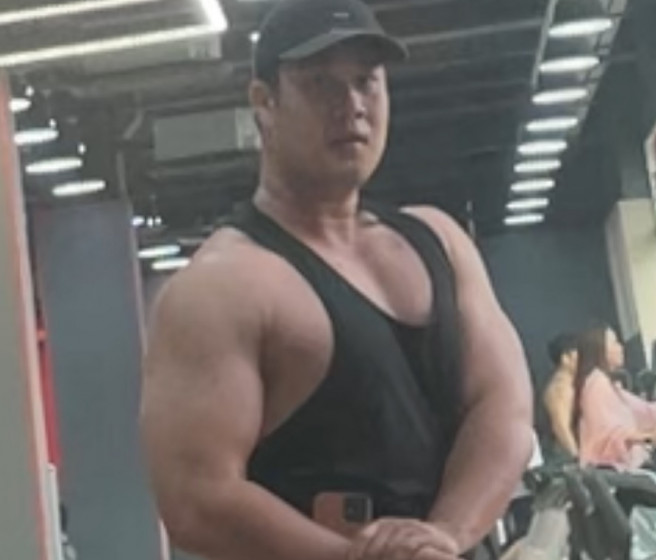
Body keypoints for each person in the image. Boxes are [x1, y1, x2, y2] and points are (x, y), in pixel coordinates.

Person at [140, 1, 533, 560]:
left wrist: (445, 535)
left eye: (366, 82)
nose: (351, 105)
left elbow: (504, 406)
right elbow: (196, 499)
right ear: (265, 103)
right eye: (320, 84)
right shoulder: (223, 287)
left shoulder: (441, 242)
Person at [573, 326, 656, 470]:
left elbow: (645, 410)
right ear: (600, 350)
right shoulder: (596, 384)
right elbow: (606, 435)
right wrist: (647, 437)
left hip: (632, 466)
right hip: (614, 472)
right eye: (614, 343)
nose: (620, 348)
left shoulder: (609, 385)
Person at [543, 333, 579, 459]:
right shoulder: (559, 388)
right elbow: (561, 427)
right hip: (565, 457)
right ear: (565, 358)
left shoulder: (571, 384)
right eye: (578, 354)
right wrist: (576, 456)